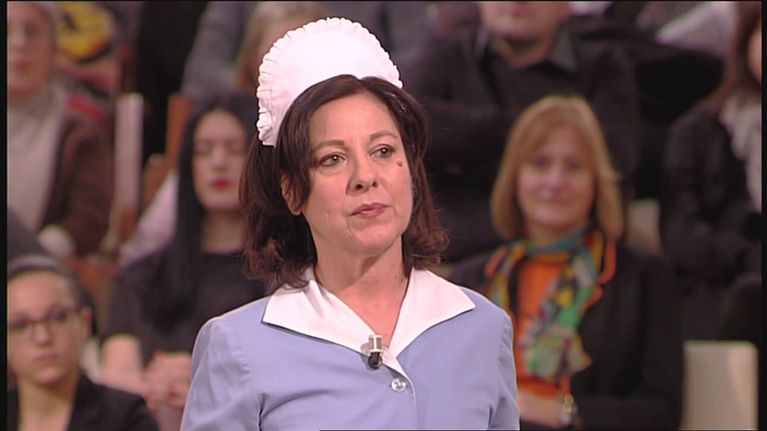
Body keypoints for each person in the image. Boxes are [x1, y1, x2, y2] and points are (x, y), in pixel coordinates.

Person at [181, 18, 519, 430]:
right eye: (333, 159)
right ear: (292, 191)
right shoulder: (238, 347)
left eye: (383, 151)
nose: (365, 176)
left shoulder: (483, 328)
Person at [449, 95, 682, 429]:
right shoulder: (467, 283)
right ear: (515, 178)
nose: (556, 181)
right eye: (540, 164)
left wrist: (561, 412)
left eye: (574, 167)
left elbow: (661, 410)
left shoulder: (644, 278)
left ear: (596, 182)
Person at [399, 1, 642, 261]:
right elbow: (406, 128)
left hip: (574, 257)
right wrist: (532, 130)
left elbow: (614, 160)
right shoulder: (444, 54)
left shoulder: (603, 66)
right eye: (540, 162)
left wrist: (465, 152)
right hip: (454, 253)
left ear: (566, 6)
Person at [117, 1, 329, 269]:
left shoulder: (356, 137)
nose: (296, 71)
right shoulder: (224, 134)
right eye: (280, 56)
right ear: (253, 66)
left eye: (308, 56)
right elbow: (141, 252)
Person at [100, 92, 267, 428]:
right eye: (204, 151)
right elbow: (117, 380)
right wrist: (162, 388)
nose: (218, 162)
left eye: (234, 149)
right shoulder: (142, 277)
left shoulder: (286, 277)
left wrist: (203, 381)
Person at [660, 1, 761, 341]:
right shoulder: (697, 132)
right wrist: (746, 256)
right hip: (722, 289)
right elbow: (681, 236)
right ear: (746, 40)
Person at [7, 1, 114, 260]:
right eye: (7, 30)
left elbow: (90, 218)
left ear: (54, 50)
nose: (19, 43)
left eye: (32, 31)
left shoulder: (79, 131)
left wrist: (34, 257)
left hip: (43, 269)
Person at [7, 254, 158, 431]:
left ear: (85, 323)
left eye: (58, 317)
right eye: (22, 325)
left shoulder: (128, 419)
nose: (43, 338)